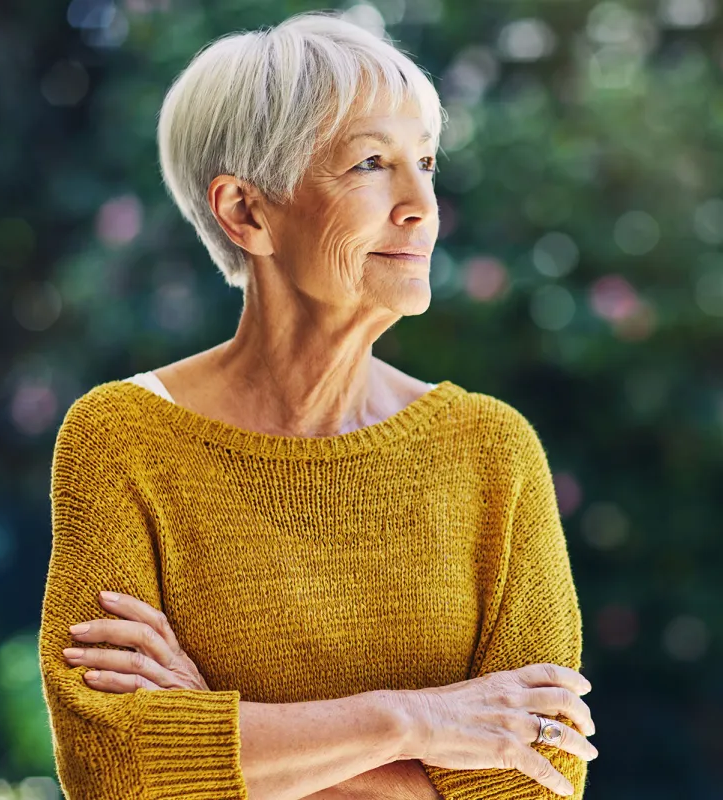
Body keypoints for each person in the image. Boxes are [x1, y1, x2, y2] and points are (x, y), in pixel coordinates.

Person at [39, 10, 598, 800]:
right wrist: (415, 723)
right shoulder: (121, 439)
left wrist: (211, 734)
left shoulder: (492, 451)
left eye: (427, 163)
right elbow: (114, 770)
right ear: (245, 212)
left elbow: (539, 777)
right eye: (371, 163)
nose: (420, 205)